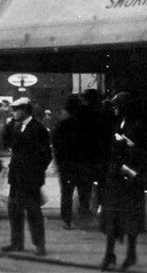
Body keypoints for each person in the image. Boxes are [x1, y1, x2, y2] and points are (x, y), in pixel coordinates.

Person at [100, 92, 147, 271]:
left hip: (128, 178)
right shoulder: (120, 123)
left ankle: (129, 254)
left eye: (117, 105)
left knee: (129, 220)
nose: (115, 109)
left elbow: (139, 152)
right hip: (116, 177)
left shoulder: (136, 126)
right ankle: (110, 254)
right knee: (113, 218)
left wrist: (123, 144)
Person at [0, 97, 52, 256]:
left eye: (16, 110)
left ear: (25, 111)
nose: (13, 112)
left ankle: (40, 245)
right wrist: (8, 125)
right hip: (16, 177)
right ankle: (17, 243)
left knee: (33, 212)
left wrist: (36, 172)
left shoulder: (38, 128)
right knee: (14, 211)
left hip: (30, 178)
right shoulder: (15, 126)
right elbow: (6, 142)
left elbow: (46, 155)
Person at [52, 94, 92, 230]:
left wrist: (59, 163)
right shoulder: (87, 125)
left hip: (67, 165)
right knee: (84, 193)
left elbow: (56, 145)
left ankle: (67, 220)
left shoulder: (62, 125)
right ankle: (84, 218)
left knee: (66, 194)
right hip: (83, 164)